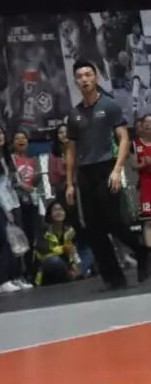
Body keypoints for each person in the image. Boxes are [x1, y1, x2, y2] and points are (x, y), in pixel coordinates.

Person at [65, 58, 148, 290]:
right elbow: (70, 150)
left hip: (107, 168)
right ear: (75, 81)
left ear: (96, 77)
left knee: (113, 221)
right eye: (80, 76)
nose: (84, 79)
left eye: (88, 75)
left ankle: (142, 251)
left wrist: (117, 170)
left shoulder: (109, 105)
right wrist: (70, 183)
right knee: (93, 229)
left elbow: (124, 138)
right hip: (85, 172)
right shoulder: (74, 114)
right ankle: (114, 277)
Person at [0, 125, 31, 294]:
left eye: (0, 133)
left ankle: (17, 276)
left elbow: (13, 180)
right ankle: (3, 280)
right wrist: (7, 210)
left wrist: (22, 185)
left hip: (14, 202)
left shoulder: (8, 156)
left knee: (19, 242)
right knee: (7, 242)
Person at [11, 130, 41, 278]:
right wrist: (22, 186)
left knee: (31, 236)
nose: (21, 140)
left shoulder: (33, 159)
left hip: (32, 201)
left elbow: (36, 181)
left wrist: (37, 177)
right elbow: (11, 180)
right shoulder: (11, 159)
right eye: (17, 138)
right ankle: (18, 272)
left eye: (23, 138)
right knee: (19, 236)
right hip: (17, 202)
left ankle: (32, 270)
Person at [35, 202, 81, 285]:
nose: (59, 212)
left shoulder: (69, 230)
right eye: (55, 210)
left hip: (66, 262)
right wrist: (63, 248)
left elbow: (71, 252)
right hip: (47, 266)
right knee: (55, 261)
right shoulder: (44, 231)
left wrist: (73, 265)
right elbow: (43, 253)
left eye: (61, 209)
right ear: (50, 215)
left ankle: (74, 273)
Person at [135, 114, 151, 248]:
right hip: (145, 184)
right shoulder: (135, 144)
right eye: (146, 122)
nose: (149, 125)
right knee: (149, 220)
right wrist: (143, 164)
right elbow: (131, 165)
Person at [127, 21, 150, 114]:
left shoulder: (144, 40)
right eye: (135, 27)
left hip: (145, 67)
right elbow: (128, 53)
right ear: (132, 28)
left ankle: (145, 100)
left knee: (147, 88)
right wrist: (129, 67)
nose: (136, 29)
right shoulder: (128, 38)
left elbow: (148, 55)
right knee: (135, 87)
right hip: (136, 67)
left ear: (140, 29)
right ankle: (134, 108)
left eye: (138, 27)